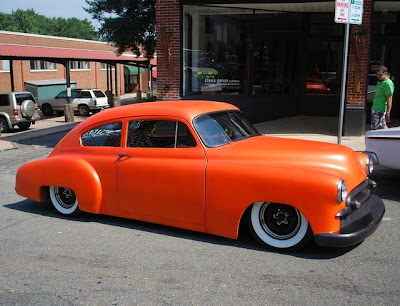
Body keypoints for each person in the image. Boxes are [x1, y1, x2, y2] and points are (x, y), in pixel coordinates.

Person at [371, 65, 395, 130]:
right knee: (382, 126)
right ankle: (389, 138)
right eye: (377, 75)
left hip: (380, 109)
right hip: (376, 107)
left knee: (374, 128)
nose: (378, 76)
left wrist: (388, 112)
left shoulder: (388, 84)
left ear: (386, 73)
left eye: (380, 75)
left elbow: (389, 98)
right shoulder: (380, 82)